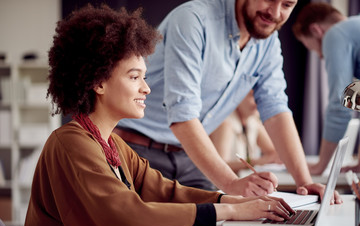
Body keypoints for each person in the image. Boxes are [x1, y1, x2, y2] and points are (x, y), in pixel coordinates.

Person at [22, 5, 295, 226]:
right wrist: (232, 211)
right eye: (134, 77)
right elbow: (124, 214)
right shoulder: (71, 143)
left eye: (145, 77)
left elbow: (165, 191)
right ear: (98, 82)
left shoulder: (112, 143)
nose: (147, 89)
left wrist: (231, 200)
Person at [115, 0, 342, 202]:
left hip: (190, 157)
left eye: (287, 5)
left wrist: (304, 182)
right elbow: (182, 114)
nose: (274, 12)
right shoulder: (193, 20)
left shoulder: (267, 42)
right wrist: (232, 184)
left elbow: (276, 109)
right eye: (269, 0)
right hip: (137, 151)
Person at [292, 2, 360, 175]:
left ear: (316, 30)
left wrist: (320, 166)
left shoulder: (335, 34)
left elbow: (340, 105)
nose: (321, 56)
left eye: (312, 48)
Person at [210, 90, 283, 173]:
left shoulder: (253, 121)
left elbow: (274, 154)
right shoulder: (224, 123)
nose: (257, 101)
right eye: (251, 95)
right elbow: (220, 166)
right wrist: (256, 162)